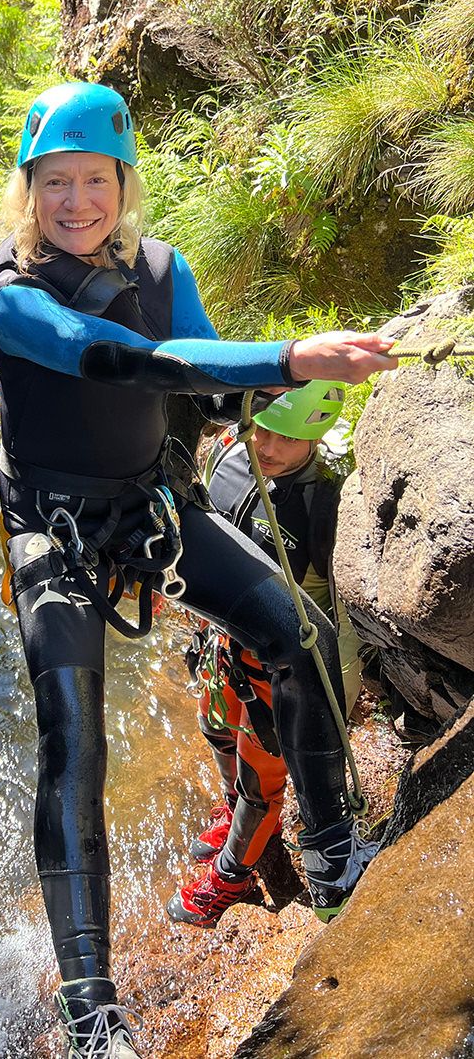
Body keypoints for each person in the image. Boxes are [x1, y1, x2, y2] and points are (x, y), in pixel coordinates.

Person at [0, 80, 398, 1057]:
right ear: (28, 189)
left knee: (302, 632)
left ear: (122, 183)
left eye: (94, 179)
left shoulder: (164, 269)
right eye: (55, 183)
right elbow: (128, 363)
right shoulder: (13, 301)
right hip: (51, 529)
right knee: (73, 740)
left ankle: (329, 849)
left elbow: (203, 369)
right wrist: (292, 355)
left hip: (148, 505)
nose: (76, 201)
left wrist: (266, 405)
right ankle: (91, 1012)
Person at [167, 380, 366, 929]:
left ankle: (228, 878)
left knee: (263, 782)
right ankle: (232, 808)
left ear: (317, 436)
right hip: (222, 645)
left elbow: (338, 620)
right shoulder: (232, 454)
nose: (268, 447)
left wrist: (333, 698)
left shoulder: (325, 501)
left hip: (277, 673)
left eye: (287, 438)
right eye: (264, 428)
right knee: (215, 733)